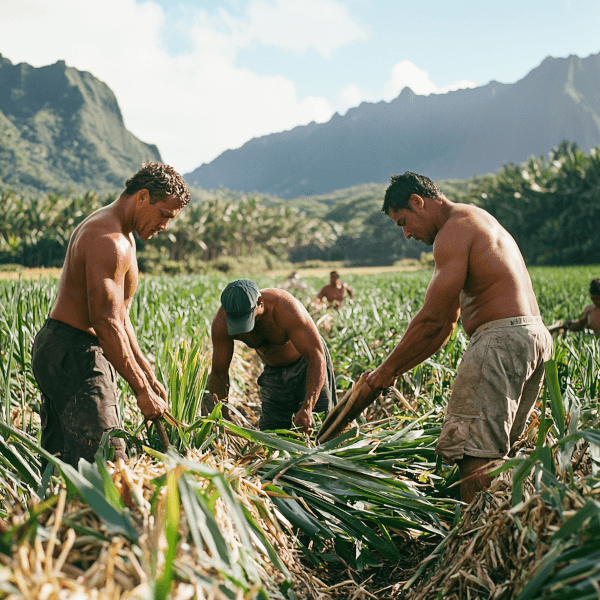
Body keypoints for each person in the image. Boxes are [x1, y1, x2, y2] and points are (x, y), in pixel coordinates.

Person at [361, 172, 552, 504]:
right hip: (533, 337)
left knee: (475, 454)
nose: (406, 234)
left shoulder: (453, 231)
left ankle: (472, 545)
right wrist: (395, 369)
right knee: (498, 453)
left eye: (403, 222)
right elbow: (446, 325)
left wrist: (386, 370)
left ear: (418, 202)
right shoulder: (475, 218)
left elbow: (432, 320)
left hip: (501, 342)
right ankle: (496, 539)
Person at [31, 162, 191, 468]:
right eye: (164, 215)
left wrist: (146, 372)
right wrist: (142, 393)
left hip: (60, 346)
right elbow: (104, 321)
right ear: (143, 197)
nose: (165, 226)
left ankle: (61, 512)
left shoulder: (122, 234)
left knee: (62, 466)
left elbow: (121, 315)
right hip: (76, 354)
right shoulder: (110, 240)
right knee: (108, 464)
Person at [207, 279, 336, 432]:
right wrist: (223, 415)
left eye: (247, 319)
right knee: (272, 434)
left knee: (319, 427)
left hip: (307, 364)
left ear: (260, 302)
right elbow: (219, 373)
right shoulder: (222, 322)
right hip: (274, 373)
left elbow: (316, 356)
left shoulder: (285, 307)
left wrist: (308, 406)